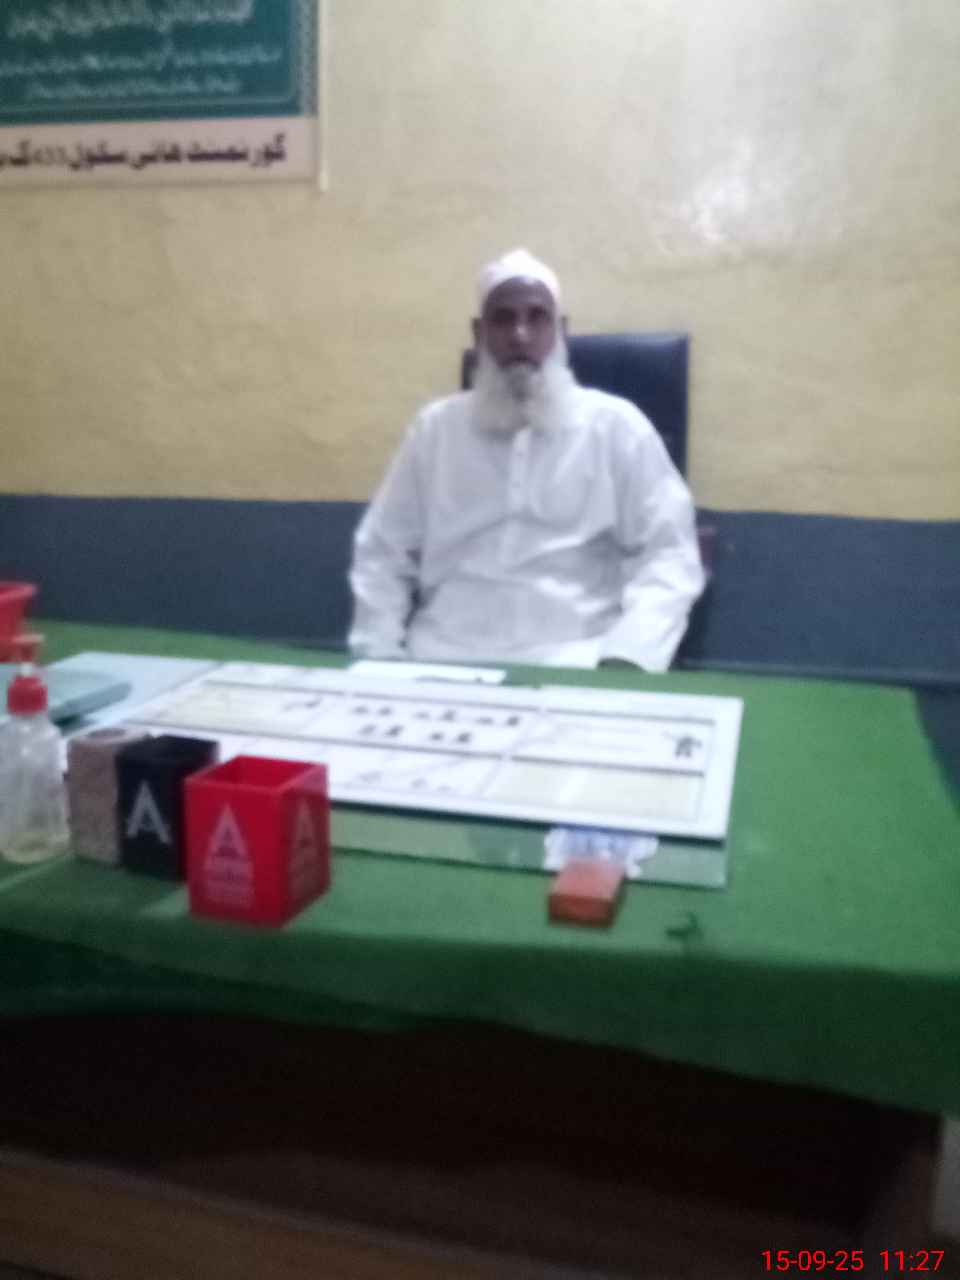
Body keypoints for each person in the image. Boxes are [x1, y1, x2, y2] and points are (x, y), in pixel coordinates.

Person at [348, 249, 705, 670]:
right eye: (503, 319)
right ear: (479, 333)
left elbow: (669, 556)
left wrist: (628, 657)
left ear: (560, 331)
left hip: (579, 664)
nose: (520, 335)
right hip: (440, 660)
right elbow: (383, 553)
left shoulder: (617, 428)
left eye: (537, 317)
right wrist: (379, 656)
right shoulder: (435, 431)